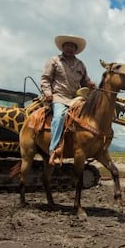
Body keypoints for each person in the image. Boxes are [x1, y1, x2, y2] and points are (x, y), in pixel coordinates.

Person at [41, 35, 96, 165]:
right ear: (63, 47)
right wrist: (48, 93)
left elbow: (85, 81)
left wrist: (90, 84)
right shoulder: (54, 61)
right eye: (67, 46)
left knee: (90, 116)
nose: (69, 48)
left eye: (72, 46)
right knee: (60, 116)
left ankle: (87, 147)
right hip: (59, 95)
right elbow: (45, 79)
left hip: (76, 98)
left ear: (76, 49)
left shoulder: (80, 64)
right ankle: (54, 150)